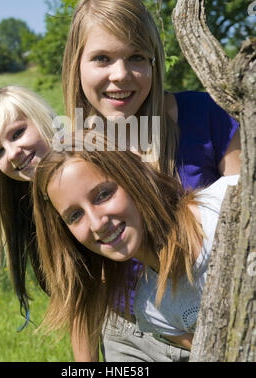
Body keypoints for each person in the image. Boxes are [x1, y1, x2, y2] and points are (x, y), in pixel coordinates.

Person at [60, 0, 241, 360]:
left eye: (136, 57)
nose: (121, 75)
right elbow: (81, 285)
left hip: (222, 327)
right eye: (102, 58)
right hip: (131, 339)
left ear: (154, 62)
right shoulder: (74, 156)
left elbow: (245, 234)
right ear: (76, 65)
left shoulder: (209, 116)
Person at [32, 133, 239, 362]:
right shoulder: (152, 310)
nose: (96, 223)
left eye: (103, 194)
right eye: (75, 215)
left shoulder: (223, 207)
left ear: (132, 177)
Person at [0, 85, 57, 322]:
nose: (12, 153)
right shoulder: (38, 211)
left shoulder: (96, 172)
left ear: (42, 118)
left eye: (17, 133)